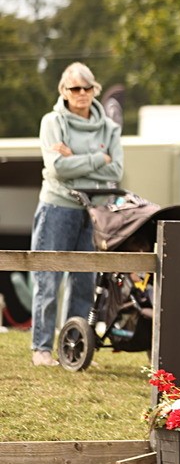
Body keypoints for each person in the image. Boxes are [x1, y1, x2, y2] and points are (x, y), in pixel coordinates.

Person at [30, 63, 123, 366]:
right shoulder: (52, 122)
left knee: (85, 282)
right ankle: (41, 349)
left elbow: (116, 170)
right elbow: (57, 167)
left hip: (95, 211)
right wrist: (98, 158)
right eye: (74, 89)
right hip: (58, 207)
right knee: (48, 279)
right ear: (64, 92)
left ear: (95, 90)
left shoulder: (109, 127)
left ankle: (76, 348)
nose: (81, 94)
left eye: (87, 88)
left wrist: (76, 158)